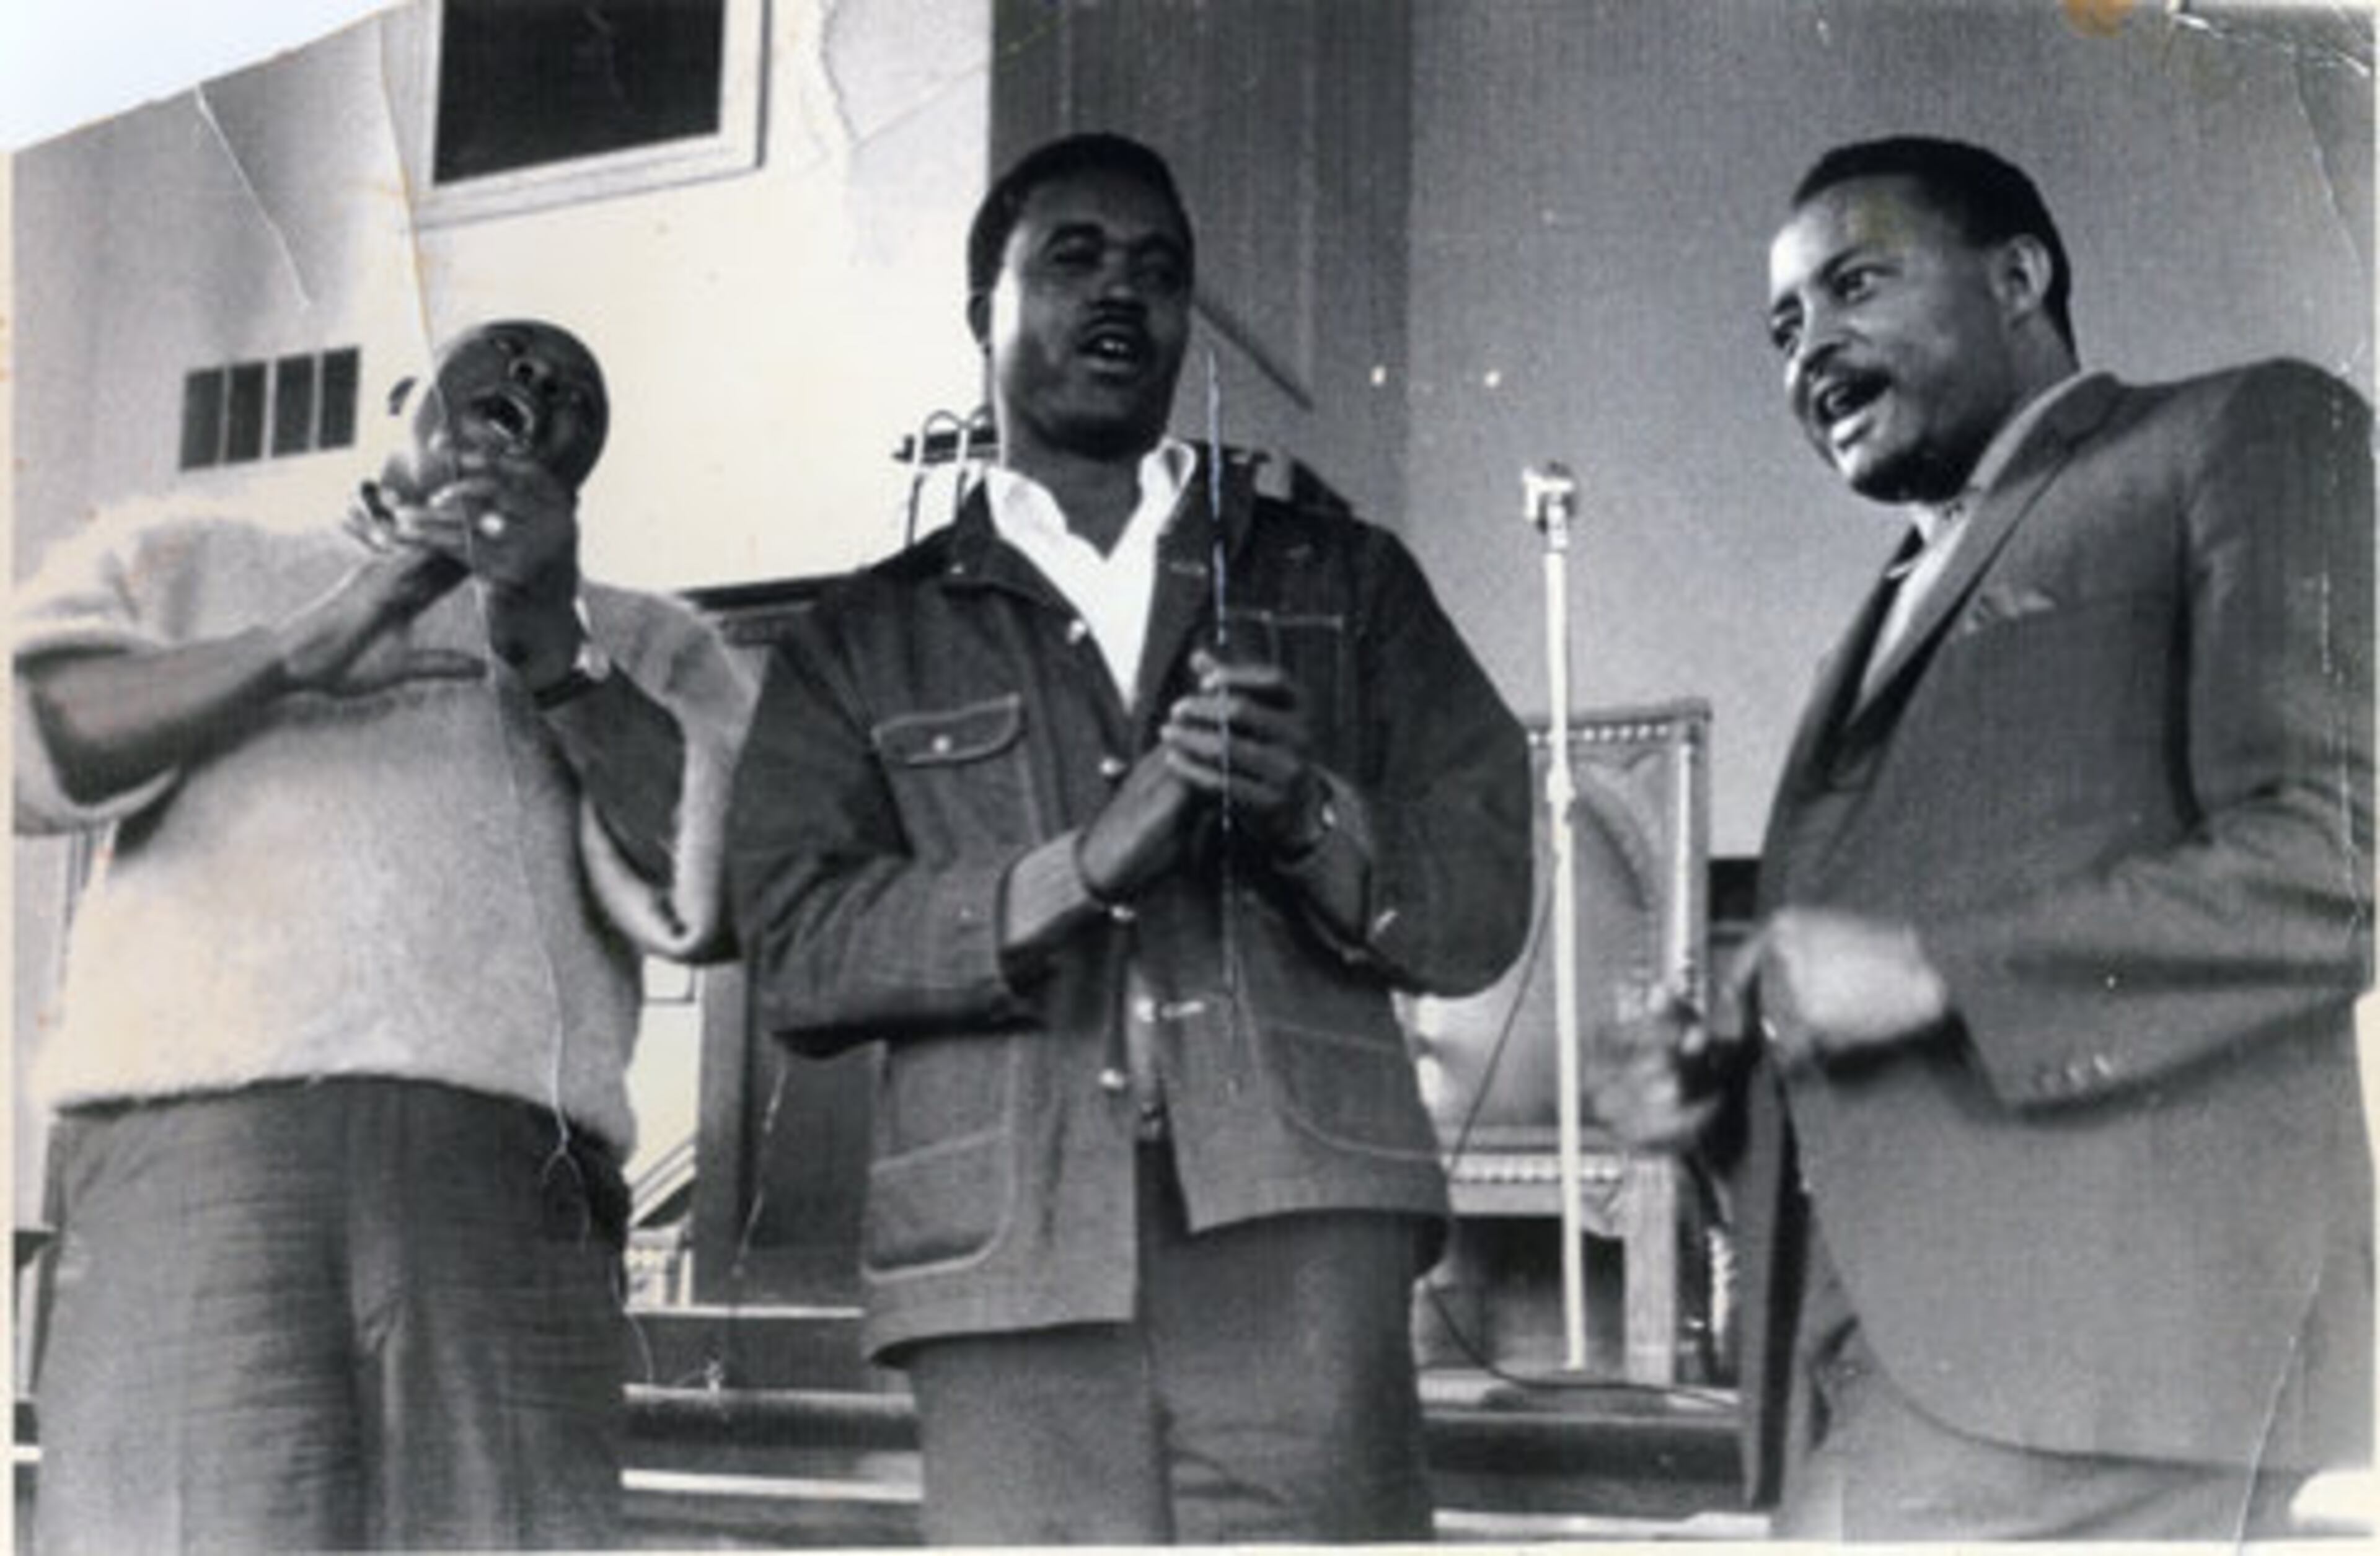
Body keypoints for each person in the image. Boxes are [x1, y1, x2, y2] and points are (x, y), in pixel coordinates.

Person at [726, 132, 1531, 1544]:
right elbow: (794, 949)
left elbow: (1479, 901)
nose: (1122, 293)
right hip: (1008, 1264)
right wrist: (1084, 867)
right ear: (982, 311)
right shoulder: (863, 635)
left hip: (1299, 1237)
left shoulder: (1343, 579)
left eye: (1159, 272)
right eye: (1074, 259)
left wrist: (1307, 814)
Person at [1604, 135, 2374, 1539]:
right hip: (1866, 1380)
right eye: (1783, 326)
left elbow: (2341, 856)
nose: (1810, 347)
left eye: (1856, 286)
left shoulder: (2245, 430)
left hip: (2114, 1382)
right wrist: (1721, 1105)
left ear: (2018, 278)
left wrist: (1935, 970)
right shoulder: (1892, 603)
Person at [14, 319, 754, 1552]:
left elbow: (723, 892)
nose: (532, 388)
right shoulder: (178, 557)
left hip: (510, 1189)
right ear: (403, 392)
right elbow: (28, 750)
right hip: (191, 1170)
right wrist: (304, 643)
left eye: (571, 393)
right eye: (502, 362)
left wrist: (554, 644)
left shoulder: (650, 640)